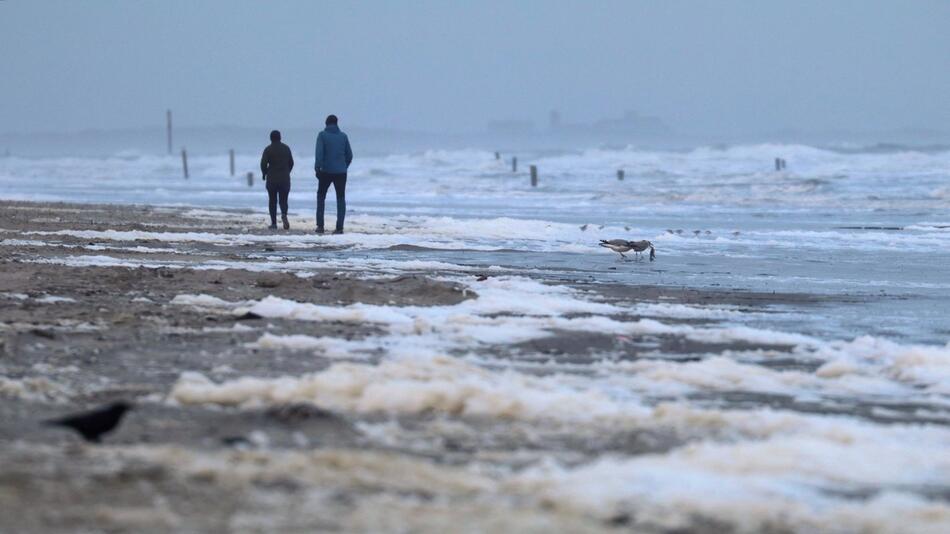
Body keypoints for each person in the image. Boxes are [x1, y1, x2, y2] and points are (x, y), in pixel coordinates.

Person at [314, 114, 353, 234]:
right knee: (340, 198)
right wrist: (343, 166)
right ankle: (339, 227)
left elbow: (319, 153)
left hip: (326, 171)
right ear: (337, 123)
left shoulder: (322, 135)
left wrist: (317, 168)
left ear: (326, 123)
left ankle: (320, 226)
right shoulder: (343, 136)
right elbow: (350, 155)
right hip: (341, 172)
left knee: (321, 197)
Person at [260, 130, 294, 230]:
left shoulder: (268, 149)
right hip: (284, 179)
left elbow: (263, 164)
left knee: (272, 200)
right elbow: (291, 163)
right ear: (280, 137)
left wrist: (264, 173)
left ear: (271, 138)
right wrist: (287, 172)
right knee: (284, 200)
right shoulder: (286, 148)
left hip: (272, 179)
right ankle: (284, 214)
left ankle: (274, 223)